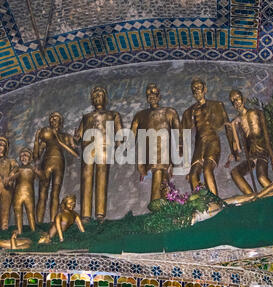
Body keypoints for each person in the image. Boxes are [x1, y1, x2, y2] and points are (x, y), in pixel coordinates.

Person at [74, 86, 123, 224]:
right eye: (95, 96)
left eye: (100, 95)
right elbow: (79, 135)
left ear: (105, 98)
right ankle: (85, 215)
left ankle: (100, 213)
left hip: (104, 146)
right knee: (86, 179)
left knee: (102, 177)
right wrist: (76, 136)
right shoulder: (86, 117)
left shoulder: (113, 114)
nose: (97, 98)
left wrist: (119, 145)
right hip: (88, 148)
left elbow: (119, 132)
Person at [181, 78, 238, 196]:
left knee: (207, 169)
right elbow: (183, 136)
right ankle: (201, 204)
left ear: (205, 89)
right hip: (199, 144)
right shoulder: (189, 111)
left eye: (199, 88)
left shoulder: (217, 105)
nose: (197, 91)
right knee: (192, 175)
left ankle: (215, 201)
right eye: (194, 89)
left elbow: (227, 127)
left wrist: (234, 150)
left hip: (212, 140)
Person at [131, 83, 182, 201]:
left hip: (165, 152)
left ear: (159, 96)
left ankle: (162, 207)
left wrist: (179, 149)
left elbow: (178, 133)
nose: (152, 96)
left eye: (154, 93)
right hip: (151, 154)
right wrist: (139, 162)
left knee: (164, 178)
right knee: (158, 173)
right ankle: (158, 206)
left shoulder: (170, 112)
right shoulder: (140, 115)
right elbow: (131, 138)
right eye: (148, 93)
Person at [227, 89, 273, 194]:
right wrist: (232, 127)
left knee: (261, 178)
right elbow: (238, 148)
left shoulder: (257, 113)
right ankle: (252, 197)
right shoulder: (237, 122)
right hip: (251, 157)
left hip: (262, 153)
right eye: (232, 101)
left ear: (243, 99)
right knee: (235, 173)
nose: (235, 102)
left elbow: (266, 137)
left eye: (237, 98)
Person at [33, 112, 79, 224]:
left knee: (55, 193)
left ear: (61, 121)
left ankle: (53, 221)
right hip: (46, 163)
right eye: (51, 119)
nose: (53, 120)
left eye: (56, 118)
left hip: (59, 163)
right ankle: (38, 222)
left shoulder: (66, 137)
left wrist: (59, 139)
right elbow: (36, 156)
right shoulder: (46, 140)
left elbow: (76, 154)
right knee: (42, 192)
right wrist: (36, 140)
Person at [5, 147, 44, 234]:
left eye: (26, 155)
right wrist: (9, 179)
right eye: (22, 155)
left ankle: (33, 229)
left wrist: (36, 170)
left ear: (30, 158)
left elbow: (43, 177)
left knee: (30, 212)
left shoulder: (32, 169)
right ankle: (19, 230)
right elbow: (10, 179)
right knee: (17, 211)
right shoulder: (17, 169)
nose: (23, 157)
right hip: (17, 194)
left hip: (29, 194)